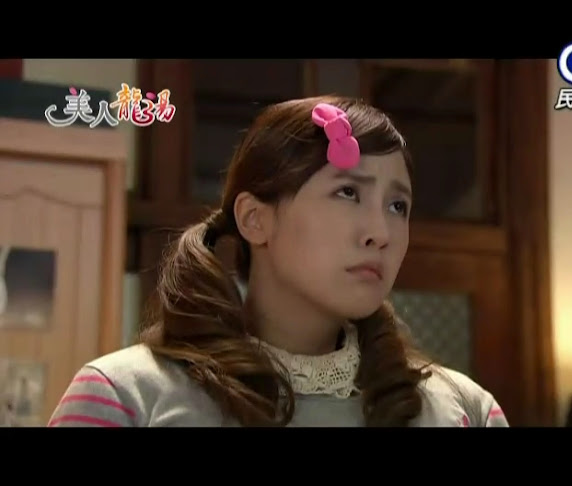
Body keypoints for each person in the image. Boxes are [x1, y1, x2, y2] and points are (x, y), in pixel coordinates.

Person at [47, 96, 509, 427]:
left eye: (397, 206)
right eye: (348, 192)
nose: (381, 232)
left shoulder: (465, 409)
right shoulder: (124, 396)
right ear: (255, 219)